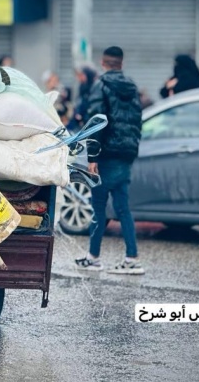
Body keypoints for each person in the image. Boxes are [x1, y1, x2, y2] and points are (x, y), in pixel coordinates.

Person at [76, 46, 144, 274]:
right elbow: (137, 121)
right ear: (121, 64)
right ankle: (131, 257)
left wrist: (92, 156)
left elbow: (96, 122)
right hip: (125, 154)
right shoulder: (132, 87)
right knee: (123, 208)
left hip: (105, 155)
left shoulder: (100, 85)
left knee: (98, 207)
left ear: (103, 63)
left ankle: (94, 257)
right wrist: (131, 150)